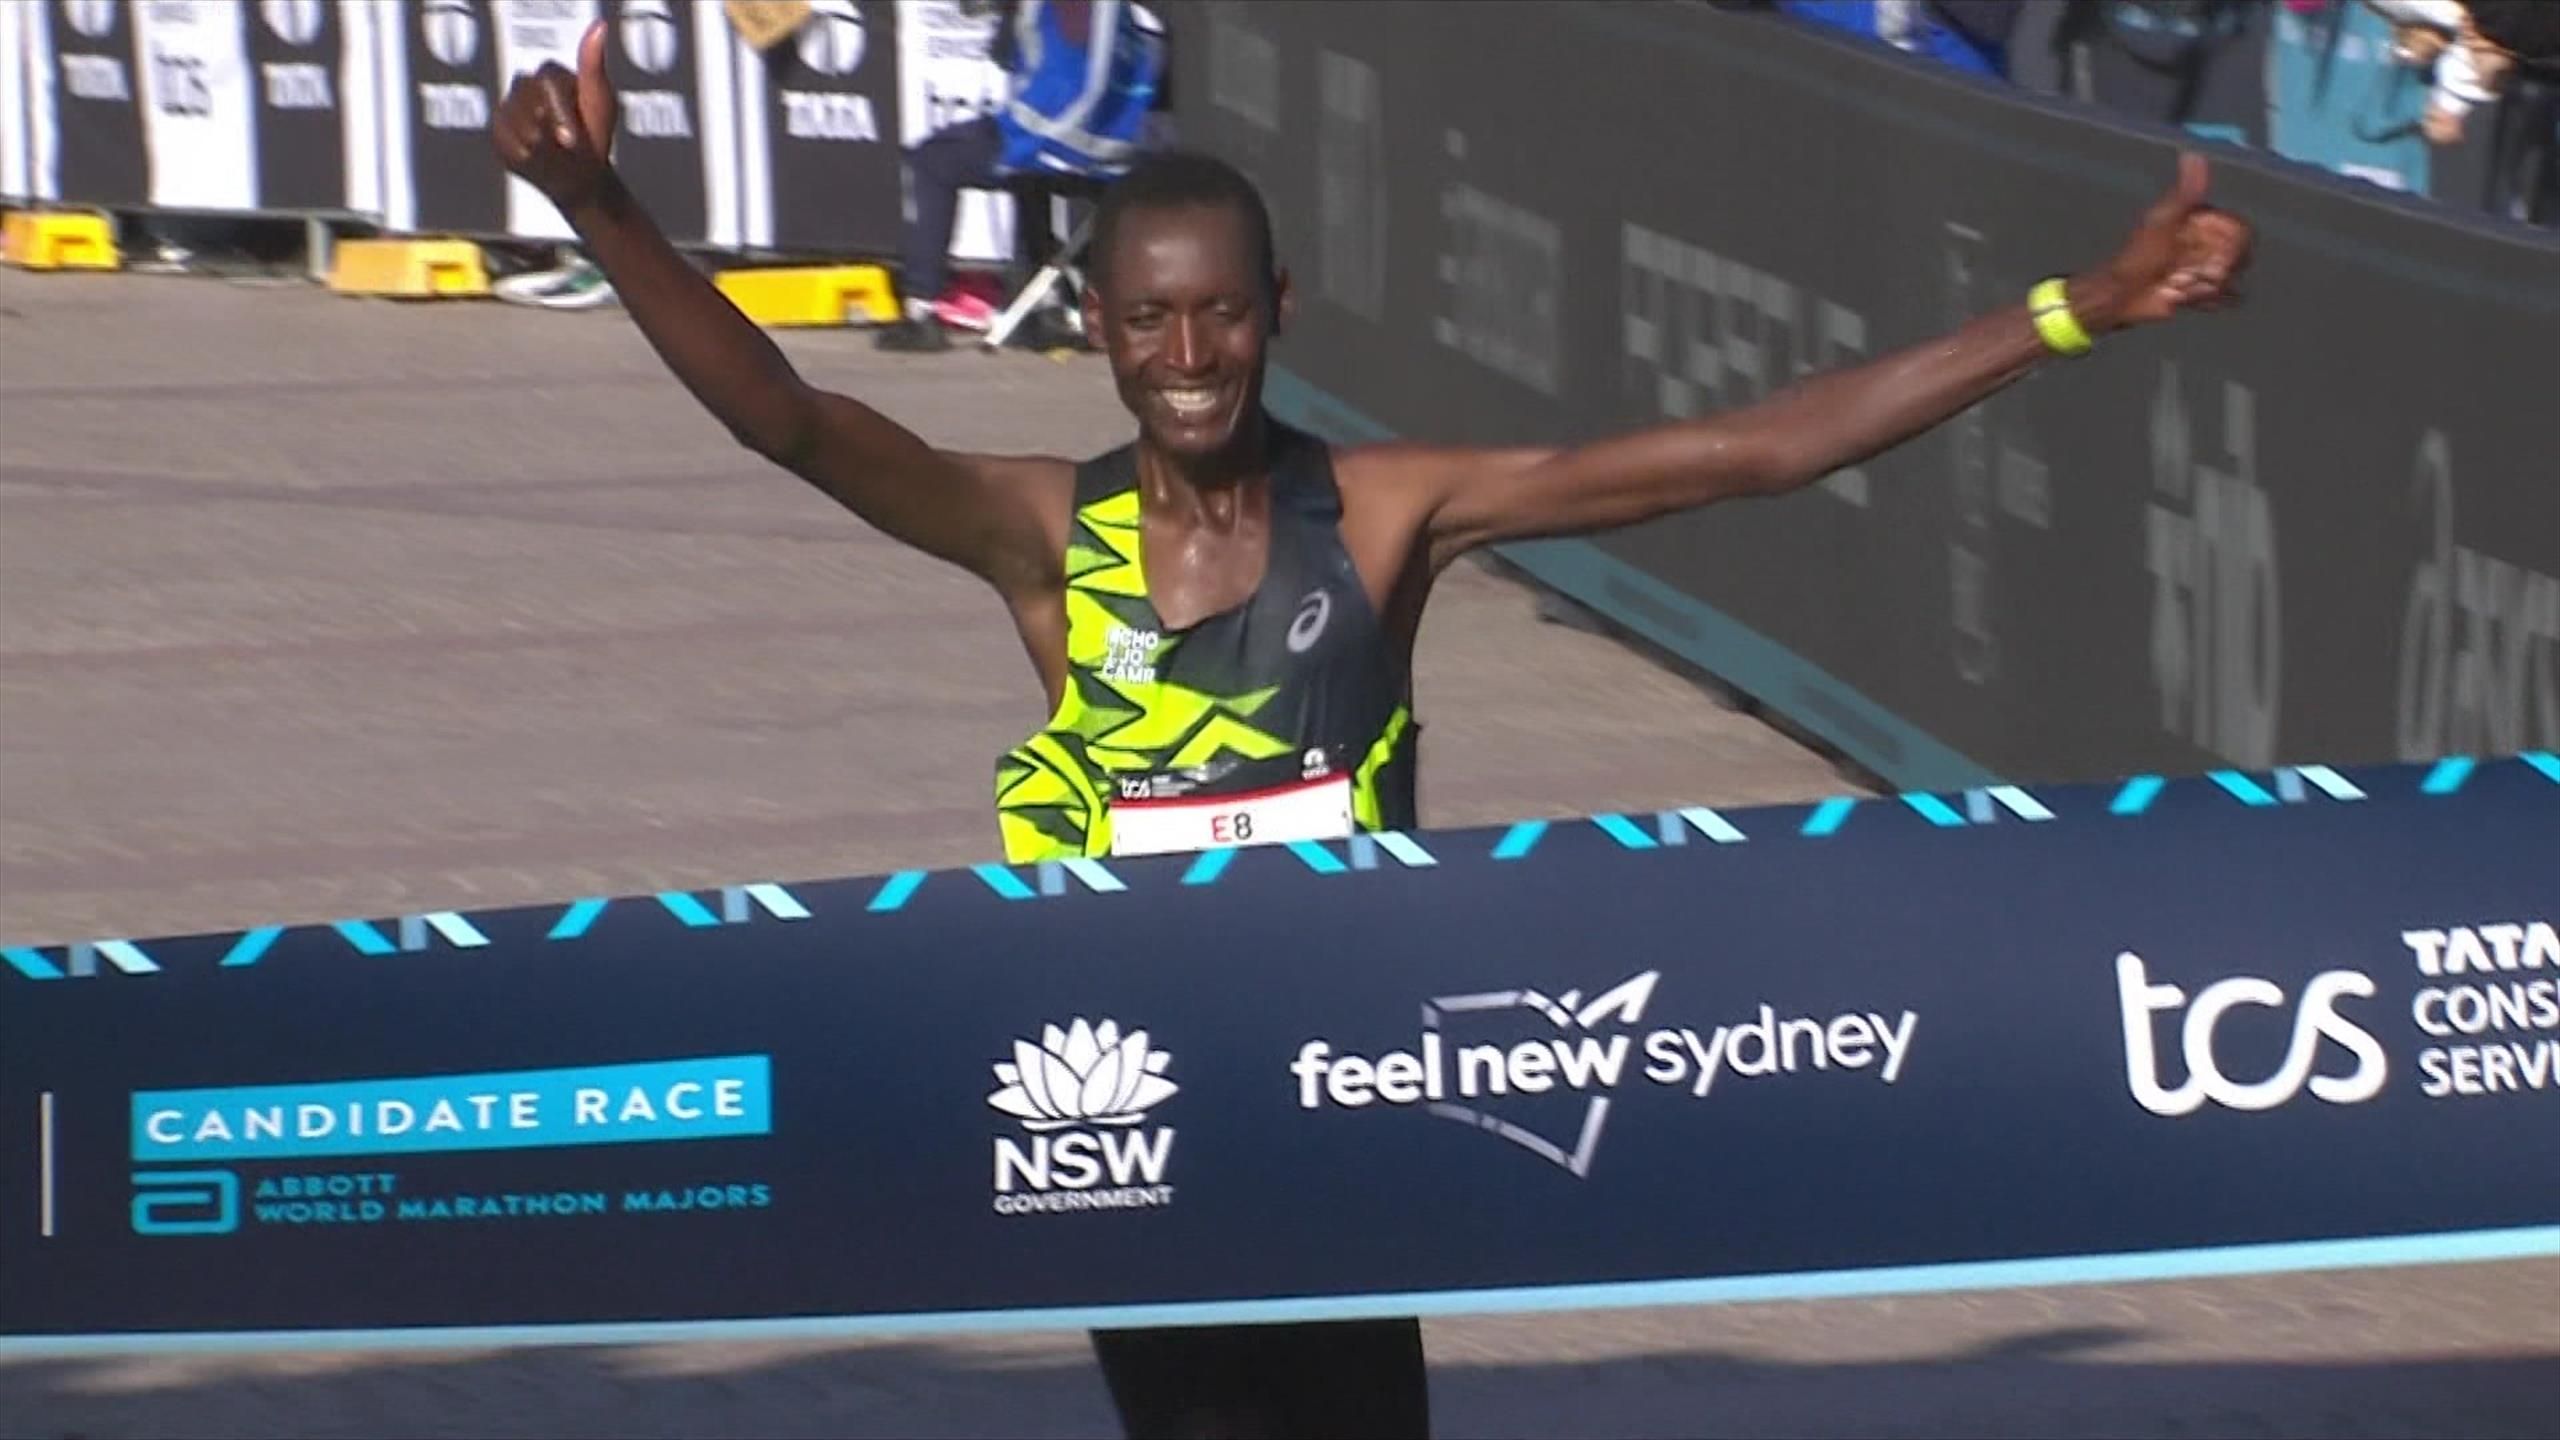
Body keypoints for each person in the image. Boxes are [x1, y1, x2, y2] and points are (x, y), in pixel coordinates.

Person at [491, 19, 2251, 1438]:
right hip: (1137, 1126)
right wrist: (605, 212)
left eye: (1224, 310)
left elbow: (1751, 451)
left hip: (1343, 1110)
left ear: (1280, 314)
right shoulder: (1038, 533)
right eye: (1151, 316)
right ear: (1097, 329)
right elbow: (788, 420)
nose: (1191, 351)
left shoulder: (1390, 513)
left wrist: (2076, 309)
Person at [876, 0, 1164, 353]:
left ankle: (921, 311)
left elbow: (982, 22)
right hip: (1115, 153)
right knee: (1026, 180)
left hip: (1051, 135)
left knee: (930, 161)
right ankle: (1042, 305)